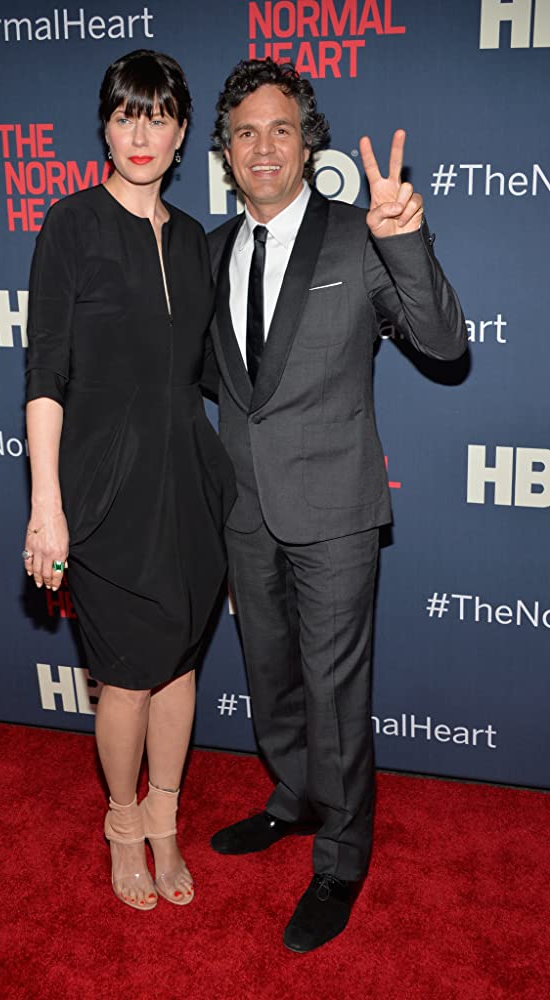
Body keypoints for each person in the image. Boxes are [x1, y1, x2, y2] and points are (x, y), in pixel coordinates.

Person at [206, 58, 467, 953]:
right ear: (225, 151)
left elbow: (444, 341)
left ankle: (342, 856)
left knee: (333, 687)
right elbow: (208, 378)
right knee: (269, 674)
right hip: (244, 507)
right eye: (245, 132)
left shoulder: (360, 233)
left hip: (336, 509)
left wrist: (406, 240)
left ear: (307, 142)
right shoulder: (209, 248)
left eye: (280, 128)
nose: (263, 147)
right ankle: (293, 797)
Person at [22, 49, 235, 913]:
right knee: (128, 674)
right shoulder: (70, 224)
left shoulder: (193, 240)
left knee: (178, 664)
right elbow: (45, 375)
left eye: (158, 117)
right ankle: (121, 822)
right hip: (103, 488)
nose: (140, 134)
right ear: (104, 129)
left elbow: (218, 369)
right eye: (124, 115)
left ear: (182, 134)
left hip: (186, 483)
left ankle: (164, 817)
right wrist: (46, 508)